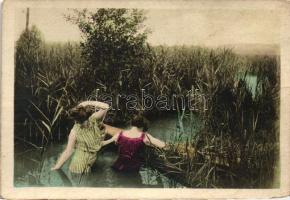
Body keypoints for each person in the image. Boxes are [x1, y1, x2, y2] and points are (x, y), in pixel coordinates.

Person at [51, 100, 109, 174]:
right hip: (80, 165)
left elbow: (106, 107)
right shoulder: (75, 131)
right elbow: (68, 151)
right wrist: (57, 167)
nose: (85, 124)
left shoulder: (93, 119)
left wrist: (88, 102)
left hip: (88, 161)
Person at [101, 115, 166, 172]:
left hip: (117, 167)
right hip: (132, 169)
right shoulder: (143, 136)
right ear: (142, 127)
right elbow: (162, 145)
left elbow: (103, 143)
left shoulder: (120, 134)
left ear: (131, 124)